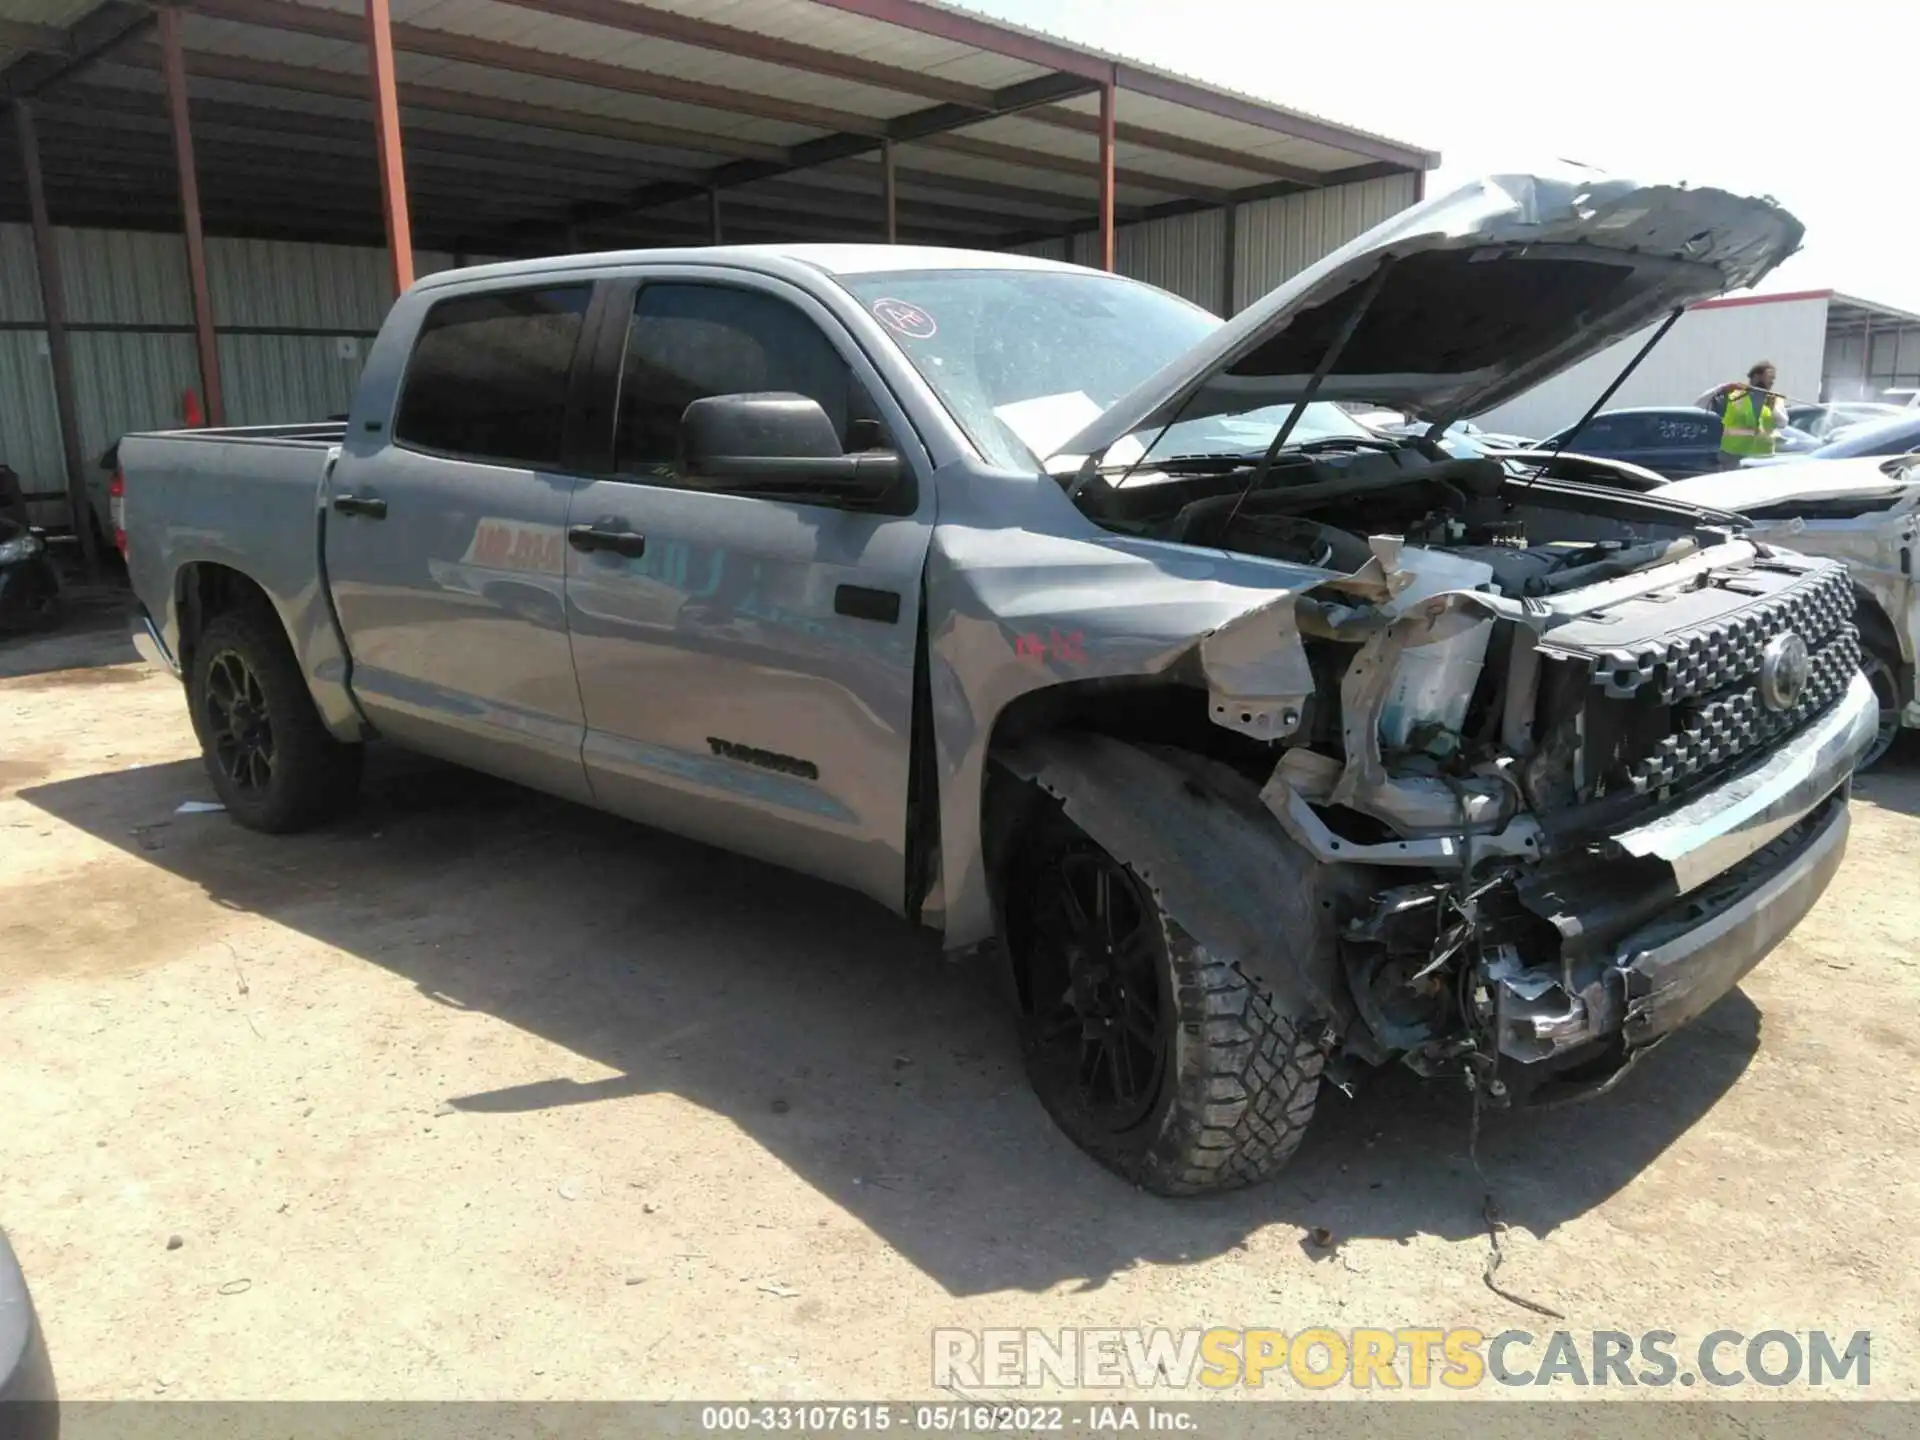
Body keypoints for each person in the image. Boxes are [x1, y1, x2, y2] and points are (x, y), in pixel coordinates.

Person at [1696, 362, 1787, 468]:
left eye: (1773, 378)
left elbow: (1783, 423)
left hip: (1763, 459)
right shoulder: (1733, 395)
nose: (1772, 382)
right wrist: (1722, 388)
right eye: (1769, 377)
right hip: (1733, 457)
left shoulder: (1774, 399)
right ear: (1756, 376)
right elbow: (1700, 405)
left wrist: (1773, 409)